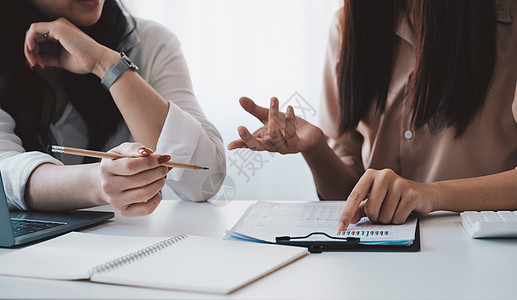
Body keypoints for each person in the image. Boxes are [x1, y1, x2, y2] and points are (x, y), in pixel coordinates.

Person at [229, 0, 517, 230]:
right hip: (377, 258)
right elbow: (347, 195)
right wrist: (317, 148)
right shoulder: (348, 25)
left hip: (482, 251)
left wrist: (429, 194)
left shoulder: (508, 21)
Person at [0, 0, 225, 217]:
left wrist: (106, 64)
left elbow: (206, 181)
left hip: (130, 245)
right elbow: (4, 172)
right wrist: (97, 183)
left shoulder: (150, 42)